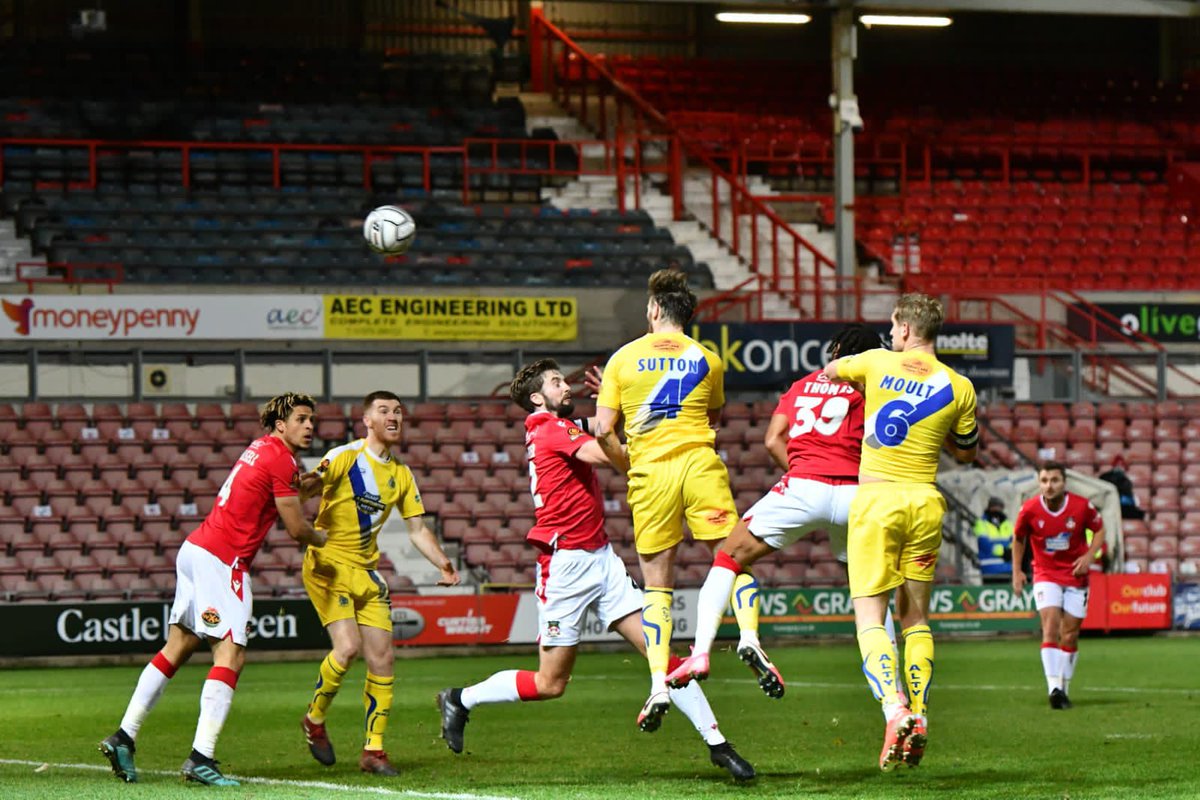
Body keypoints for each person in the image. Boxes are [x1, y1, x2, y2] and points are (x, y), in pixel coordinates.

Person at [436, 359, 754, 780]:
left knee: (661, 654)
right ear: (537, 397)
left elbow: (604, 424)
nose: (564, 387)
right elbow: (609, 453)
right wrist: (626, 434)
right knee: (550, 684)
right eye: (555, 383)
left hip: (602, 560)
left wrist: (616, 404)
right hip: (565, 566)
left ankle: (718, 744)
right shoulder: (550, 428)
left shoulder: (557, 425)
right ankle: (461, 699)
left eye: (564, 381)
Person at [99, 393, 328, 786]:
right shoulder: (282, 458)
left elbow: (276, 496)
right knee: (231, 653)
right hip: (224, 561)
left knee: (177, 647)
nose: (310, 426)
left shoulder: (261, 449)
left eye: (312, 420)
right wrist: (325, 540)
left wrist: (308, 485)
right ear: (280, 425)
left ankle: (124, 736)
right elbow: (296, 528)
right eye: (302, 419)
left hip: (195, 550)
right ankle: (201, 756)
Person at [668, 324, 889, 697]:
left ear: (834, 349)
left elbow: (772, 439)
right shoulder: (873, 389)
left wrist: (806, 474)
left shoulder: (802, 385)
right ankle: (893, 698)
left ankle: (701, 653)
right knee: (873, 593)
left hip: (803, 486)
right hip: (857, 494)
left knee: (728, 557)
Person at [823, 293, 978, 772]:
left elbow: (831, 372)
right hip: (925, 503)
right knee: (916, 620)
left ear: (907, 329)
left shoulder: (875, 361)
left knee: (871, 617)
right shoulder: (959, 386)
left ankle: (895, 710)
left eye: (894, 326)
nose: (891, 334)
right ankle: (923, 714)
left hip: (876, 501)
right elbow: (969, 451)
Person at [592, 268, 742, 732]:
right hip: (697, 464)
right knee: (733, 559)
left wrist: (628, 462)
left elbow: (601, 430)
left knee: (657, 586)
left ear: (654, 310)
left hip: (651, 475)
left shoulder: (622, 358)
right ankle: (748, 637)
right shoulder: (710, 359)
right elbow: (713, 418)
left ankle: (658, 681)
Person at [300, 390, 461, 777]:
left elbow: (418, 530)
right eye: (385, 411)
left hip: (366, 572)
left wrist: (444, 563)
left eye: (399, 412)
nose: (394, 417)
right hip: (328, 565)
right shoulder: (344, 456)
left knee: (383, 659)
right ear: (367, 421)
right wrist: (298, 483)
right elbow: (308, 487)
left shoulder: (402, 475)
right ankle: (314, 720)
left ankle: (373, 750)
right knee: (348, 648)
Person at [1011, 461, 1105, 710]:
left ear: (1064, 482)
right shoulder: (1029, 509)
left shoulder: (1081, 506)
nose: (1049, 486)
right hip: (1045, 573)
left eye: (1054, 480)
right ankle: (1053, 688)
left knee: (1070, 634)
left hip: (1076, 576)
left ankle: (1064, 688)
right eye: (1044, 481)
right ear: (1039, 483)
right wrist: (1017, 571)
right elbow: (1018, 538)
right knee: (1050, 626)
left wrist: (1089, 556)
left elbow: (1099, 529)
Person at [973, 497, 1014, 581]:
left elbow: (1014, 541)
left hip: (1008, 569)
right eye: (994, 507)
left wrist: (1011, 550)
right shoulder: (981, 523)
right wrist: (1004, 551)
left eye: (999, 507)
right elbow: (985, 544)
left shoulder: (1008, 524)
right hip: (990, 570)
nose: (997, 509)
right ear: (989, 507)